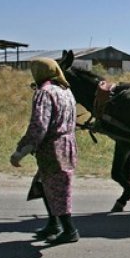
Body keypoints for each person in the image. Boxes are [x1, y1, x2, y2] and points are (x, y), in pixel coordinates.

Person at [10, 57, 80, 245]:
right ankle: (53, 224)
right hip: (67, 144)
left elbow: (39, 125)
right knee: (43, 183)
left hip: (53, 147)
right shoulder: (66, 91)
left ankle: (69, 230)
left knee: (58, 187)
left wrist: (22, 150)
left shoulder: (44, 93)